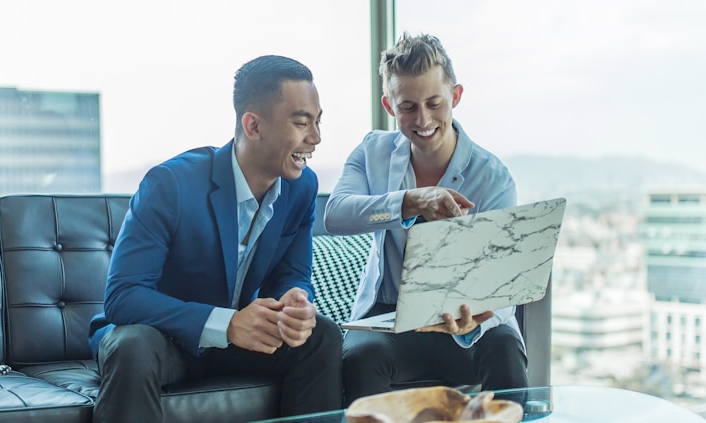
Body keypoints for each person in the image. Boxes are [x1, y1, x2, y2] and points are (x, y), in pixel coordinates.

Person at [88, 55, 342, 422]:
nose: (315, 138)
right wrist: (227, 324)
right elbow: (123, 296)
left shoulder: (302, 187)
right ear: (253, 126)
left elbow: (293, 273)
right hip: (163, 339)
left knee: (321, 336)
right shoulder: (170, 185)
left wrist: (296, 300)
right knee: (132, 346)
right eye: (302, 123)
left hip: (239, 340)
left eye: (318, 122)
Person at [324, 33, 530, 404]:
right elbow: (336, 215)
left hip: (466, 322)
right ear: (389, 105)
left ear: (456, 96)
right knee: (359, 357)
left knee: (505, 348)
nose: (423, 119)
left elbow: (505, 283)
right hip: (389, 320)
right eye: (408, 107)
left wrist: (478, 316)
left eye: (434, 102)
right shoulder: (372, 152)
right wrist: (409, 201)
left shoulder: (493, 177)